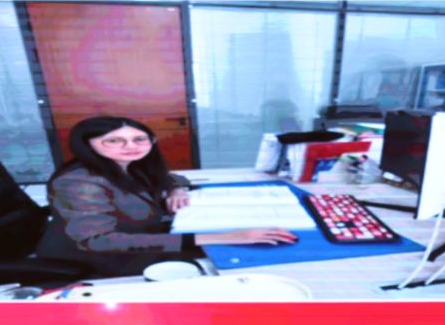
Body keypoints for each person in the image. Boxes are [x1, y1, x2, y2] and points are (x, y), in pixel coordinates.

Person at [35, 116, 298, 278]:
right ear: (88, 144)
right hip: (102, 258)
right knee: (243, 264)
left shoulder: (130, 164)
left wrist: (175, 190)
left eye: (139, 139)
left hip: (142, 235)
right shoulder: (78, 182)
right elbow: (99, 242)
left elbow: (172, 178)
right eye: (114, 141)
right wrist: (228, 236)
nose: (130, 146)